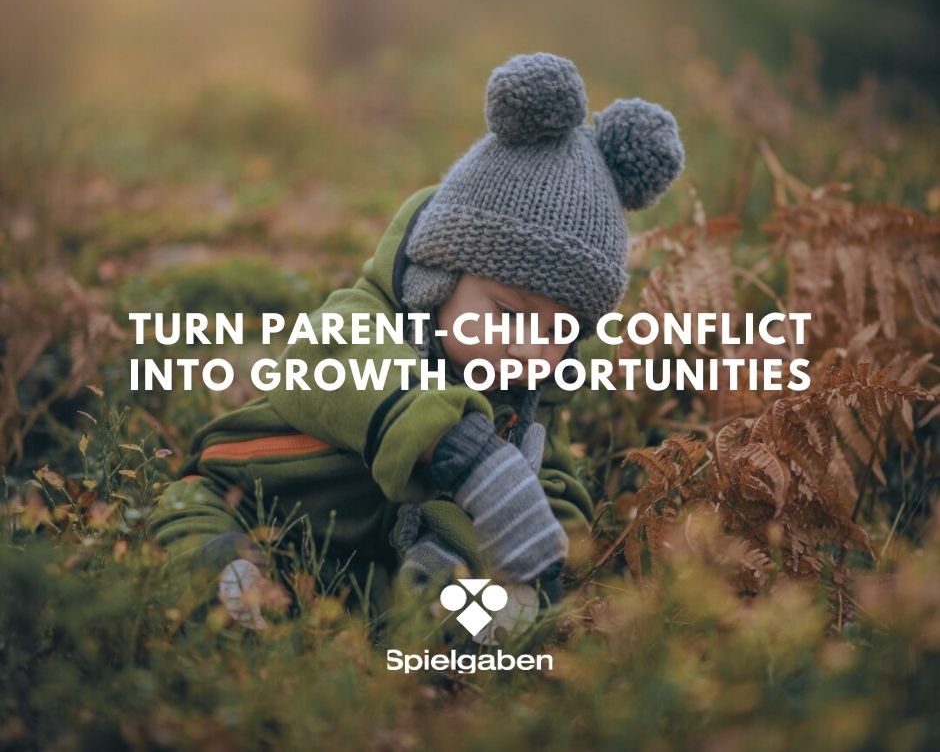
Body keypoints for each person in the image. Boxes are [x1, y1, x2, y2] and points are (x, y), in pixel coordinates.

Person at [148, 51, 684, 635]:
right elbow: (327, 359)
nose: (531, 350)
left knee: (463, 578)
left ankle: (436, 619)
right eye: (508, 313)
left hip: (356, 567)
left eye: (559, 332)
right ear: (437, 279)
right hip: (247, 499)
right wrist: (463, 450)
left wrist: (541, 557)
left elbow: (554, 493)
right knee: (198, 529)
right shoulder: (360, 325)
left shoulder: (520, 418)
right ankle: (232, 584)